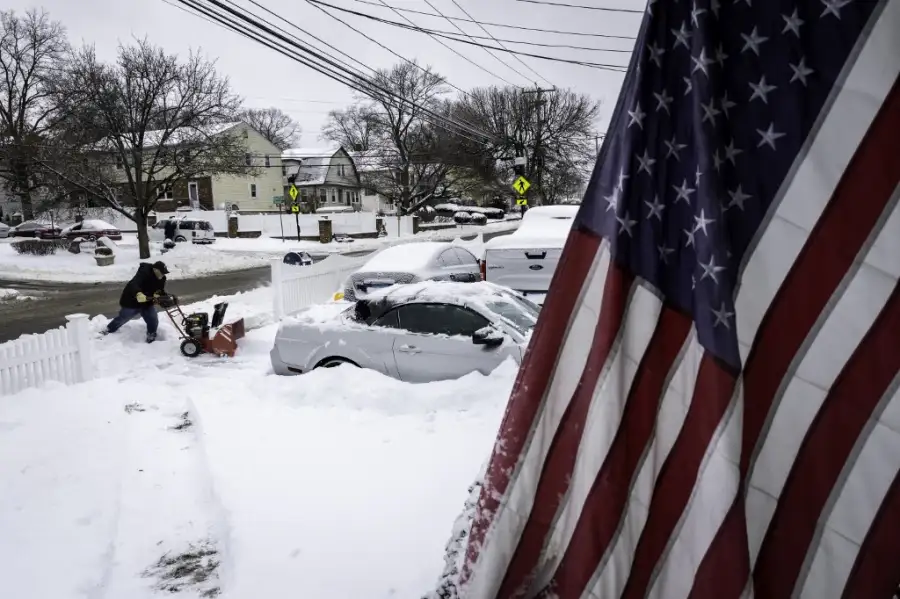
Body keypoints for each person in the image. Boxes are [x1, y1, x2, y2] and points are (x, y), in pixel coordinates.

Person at [103, 261, 169, 343]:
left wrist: (163, 297)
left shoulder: (162, 279)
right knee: (123, 317)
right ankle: (109, 329)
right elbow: (134, 284)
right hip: (132, 300)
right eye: (161, 273)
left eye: (164, 273)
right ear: (155, 270)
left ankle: (151, 334)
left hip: (147, 302)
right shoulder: (144, 273)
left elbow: (160, 290)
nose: (163, 275)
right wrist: (138, 293)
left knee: (153, 318)